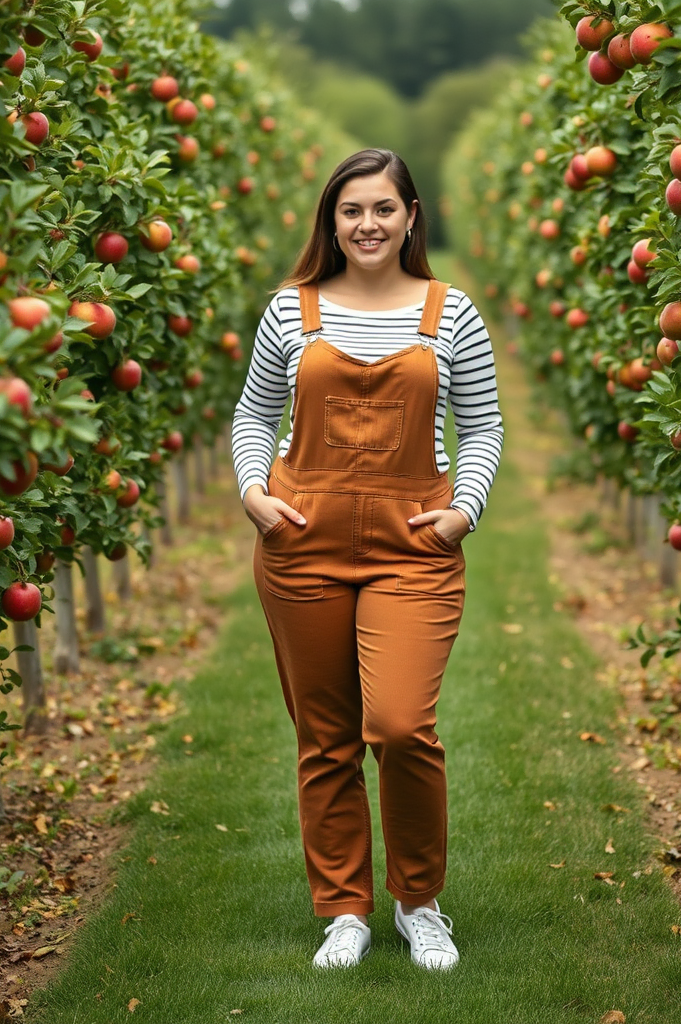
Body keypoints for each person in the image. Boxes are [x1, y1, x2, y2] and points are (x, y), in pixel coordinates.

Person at [231, 148, 503, 971]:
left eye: (384, 208)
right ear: (332, 221)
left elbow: (483, 426)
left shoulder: (451, 314)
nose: (368, 224)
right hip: (302, 542)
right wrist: (253, 493)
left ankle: (420, 902)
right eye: (352, 211)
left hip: (411, 546)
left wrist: (463, 512)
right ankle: (344, 909)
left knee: (400, 725)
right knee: (325, 737)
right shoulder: (290, 310)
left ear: (412, 216)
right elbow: (253, 417)